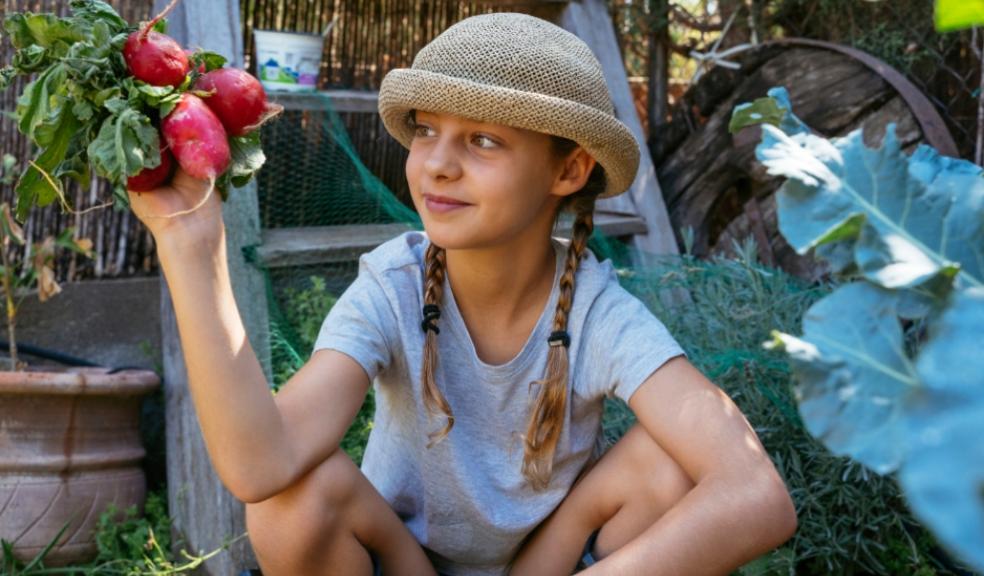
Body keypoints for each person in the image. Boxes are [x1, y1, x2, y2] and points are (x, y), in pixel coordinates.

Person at [128, 12, 796, 576]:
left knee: (668, 467)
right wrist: (191, 244)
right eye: (426, 131)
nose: (439, 163)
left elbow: (758, 495)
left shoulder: (597, 310)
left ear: (568, 169)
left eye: (482, 140)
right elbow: (260, 464)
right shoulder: (393, 285)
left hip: (540, 566)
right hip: (403, 562)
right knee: (289, 499)